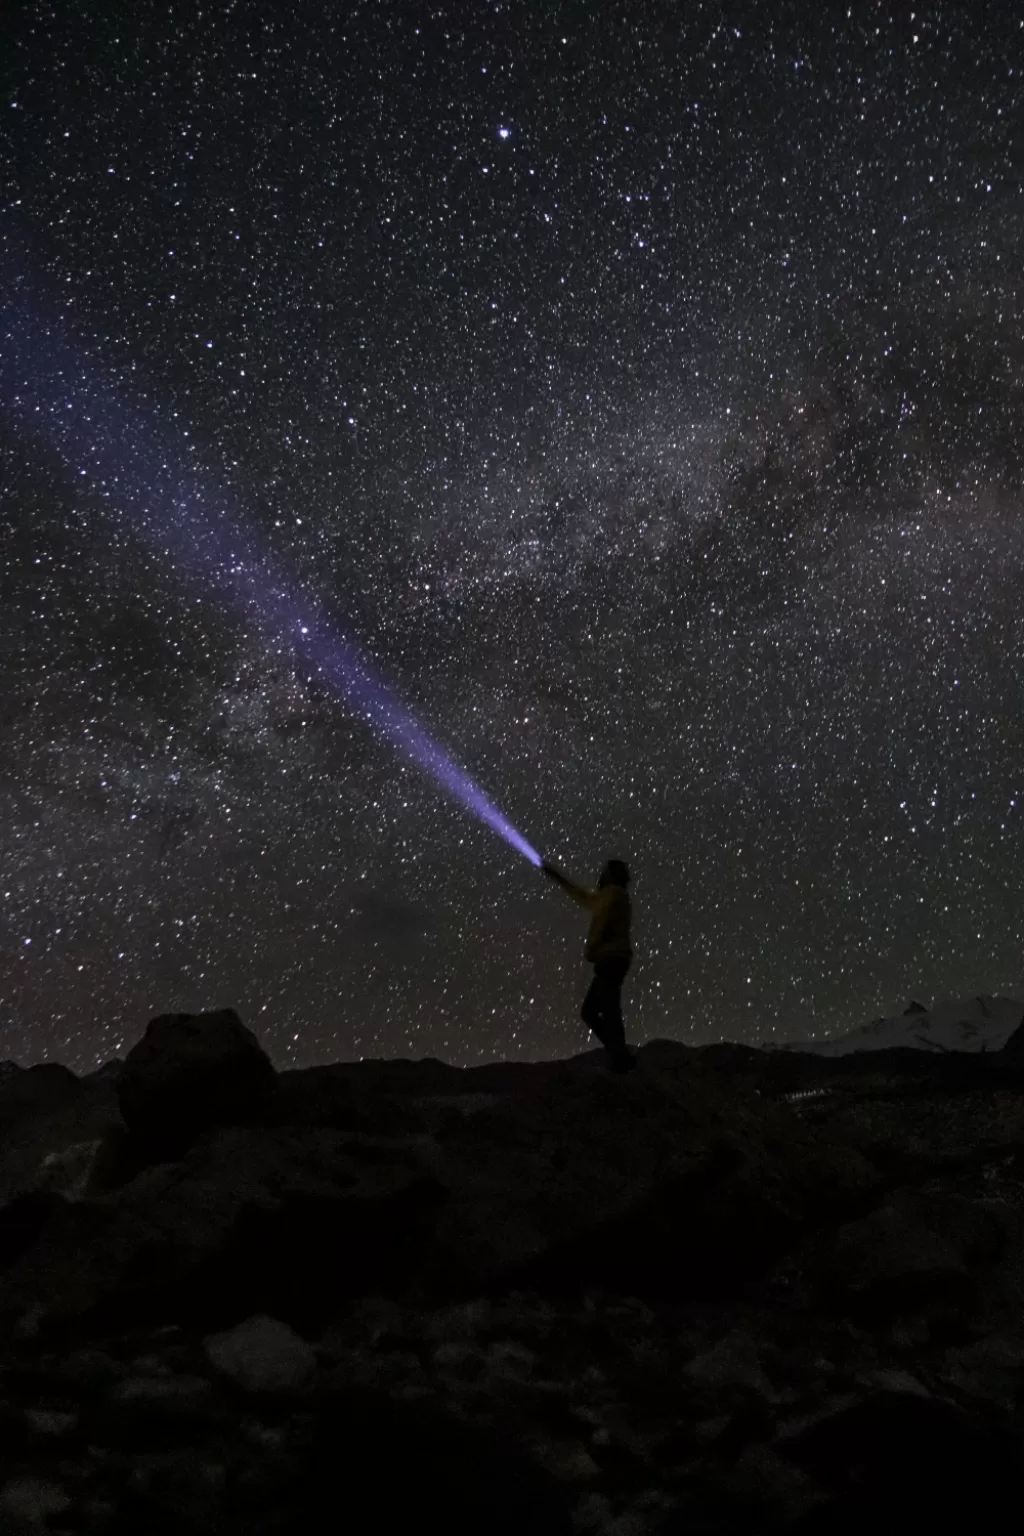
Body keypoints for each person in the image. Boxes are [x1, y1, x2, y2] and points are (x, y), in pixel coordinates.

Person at [542, 857, 637, 1072]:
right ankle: (618, 1054)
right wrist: (557, 877)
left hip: (611, 959)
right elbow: (583, 897)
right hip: (614, 959)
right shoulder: (611, 896)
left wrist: (592, 947)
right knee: (593, 1011)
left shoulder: (613, 895)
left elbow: (602, 915)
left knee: (608, 1010)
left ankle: (621, 1059)